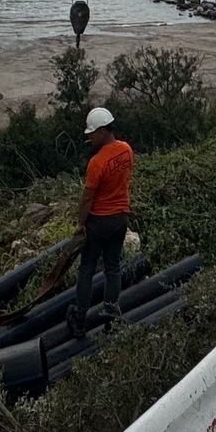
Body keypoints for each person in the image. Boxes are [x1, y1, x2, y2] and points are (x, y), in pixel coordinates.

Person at [69, 105, 134, 334]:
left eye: (92, 134)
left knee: (87, 268)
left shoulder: (97, 163)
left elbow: (87, 198)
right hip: (120, 219)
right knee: (113, 266)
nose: (90, 138)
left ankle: (80, 317)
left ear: (103, 131)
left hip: (99, 221)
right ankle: (111, 313)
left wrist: (80, 225)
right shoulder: (126, 150)